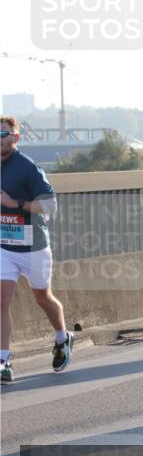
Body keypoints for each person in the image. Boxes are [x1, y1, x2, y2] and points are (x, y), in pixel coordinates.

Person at [0, 115, 73, 383]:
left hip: (34, 247)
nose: (0, 139)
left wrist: (15, 204)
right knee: (1, 301)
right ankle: (3, 361)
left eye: (3, 134)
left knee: (43, 298)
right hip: (4, 247)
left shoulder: (29, 168)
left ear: (15, 138)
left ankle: (62, 338)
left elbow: (50, 205)